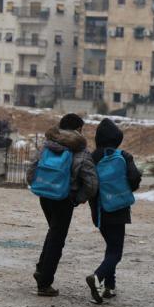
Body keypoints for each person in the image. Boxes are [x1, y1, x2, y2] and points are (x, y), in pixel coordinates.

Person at [27, 113, 98, 297]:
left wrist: (39, 186)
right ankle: (44, 283)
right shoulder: (81, 151)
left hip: (45, 196)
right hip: (64, 199)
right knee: (57, 239)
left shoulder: (47, 145)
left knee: (53, 232)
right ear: (79, 130)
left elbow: (32, 170)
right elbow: (91, 184)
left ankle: (41, 270)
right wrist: (77, 198)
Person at [86, 119, 141, 304]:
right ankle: (97, 276)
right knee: (115, 252)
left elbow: (87, 183)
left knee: (111, 247)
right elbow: (134, 179)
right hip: (119, 209)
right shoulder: (123, 156)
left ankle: (109, 286)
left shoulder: (92, 158)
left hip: (99, 210)